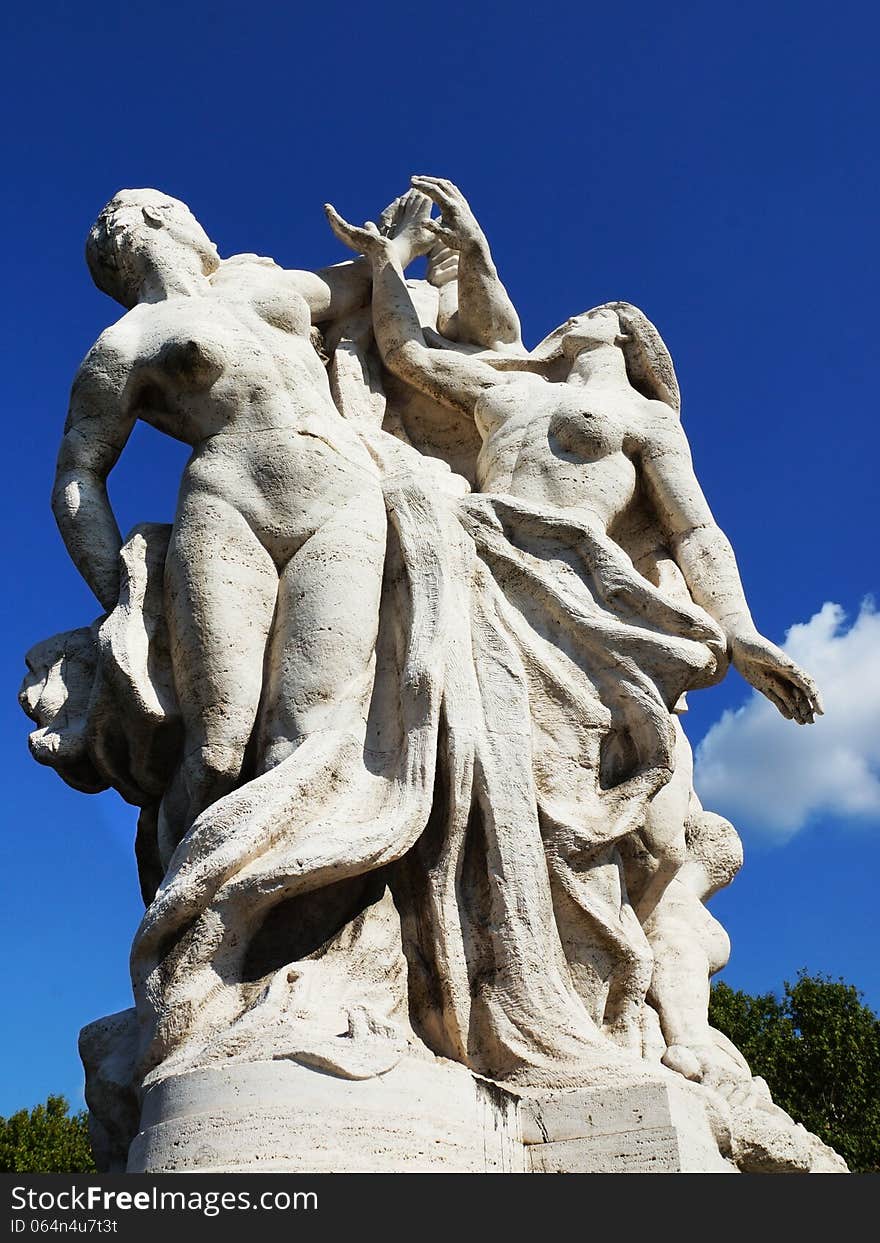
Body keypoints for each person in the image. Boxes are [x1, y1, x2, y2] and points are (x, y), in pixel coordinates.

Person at [326, 184, 823, 1050]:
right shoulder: (503, 394)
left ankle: (591, 1006)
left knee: (570, 802)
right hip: (485, 571)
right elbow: (405, 351)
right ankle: (472, 985)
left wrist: (739, 631)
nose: (588, 313)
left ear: (629, 344)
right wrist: (398, 257)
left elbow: (695, 531)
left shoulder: (645, 419)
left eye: (608, 313)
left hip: (585, 604)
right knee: (471, 772)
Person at [53, 188, 432, 866]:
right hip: (231, 510)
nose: (200, 217)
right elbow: (77, 477)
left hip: (343, 498)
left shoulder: (261, 281)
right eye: (183, 208)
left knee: (306, 735)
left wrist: (398, 245)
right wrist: (125, 597)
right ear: (147, 220)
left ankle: (285, 933)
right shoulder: (128, 339)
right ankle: (184, 923)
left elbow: (358, 290)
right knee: (219, 750)